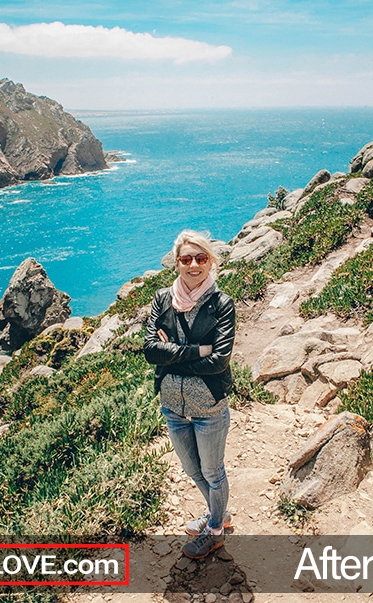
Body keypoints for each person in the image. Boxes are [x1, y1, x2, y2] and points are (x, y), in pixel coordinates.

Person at [143, 230, 236, 559]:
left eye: (200, 258)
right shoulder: (161, 299)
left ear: (211, 261)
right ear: (176, 263)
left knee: (212, 471)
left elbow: (218, 361)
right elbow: (150, 351)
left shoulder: (222, 304)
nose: (193, 265)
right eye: (186, 259)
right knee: (193, 470)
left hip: (208, 405)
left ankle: (215, 531)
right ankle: (218, 514)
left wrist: (175, 353)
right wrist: (195, 350)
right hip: (172, 405)